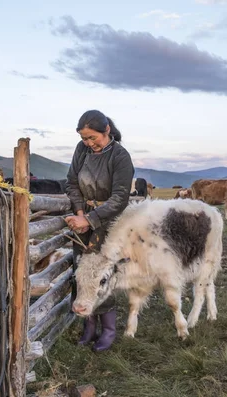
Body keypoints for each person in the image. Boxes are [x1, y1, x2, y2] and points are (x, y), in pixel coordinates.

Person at [64, 109, 135, 352]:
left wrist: (92, 218)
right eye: (84, 138)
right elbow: (72, 182)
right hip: (83, 219)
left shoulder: (120, 156)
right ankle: (89, 326)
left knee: (103, 274)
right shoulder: (81, 150)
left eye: (93, 138)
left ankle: (109, 330)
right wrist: (80, 212)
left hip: (110, 222)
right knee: (82, 270)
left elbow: (119, 198)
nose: (89, 143)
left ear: (107, 131)